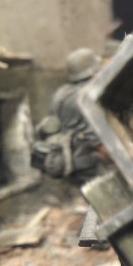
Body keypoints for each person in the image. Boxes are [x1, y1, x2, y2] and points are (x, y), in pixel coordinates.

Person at [33, 48, 108, 182]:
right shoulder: (85, 97)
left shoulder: (61, 93)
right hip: (87, 163)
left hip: (67, 159)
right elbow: (94, 139)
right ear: (92, 73)